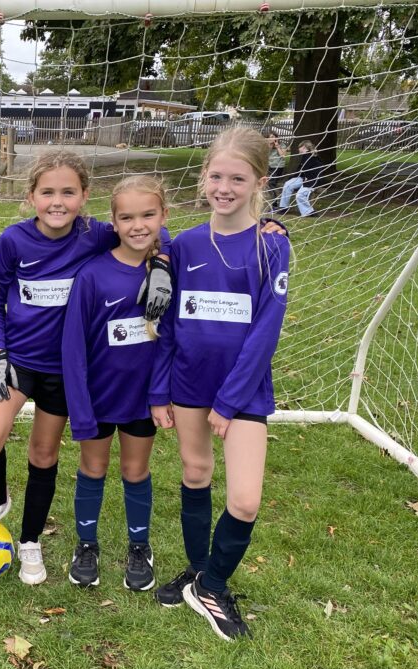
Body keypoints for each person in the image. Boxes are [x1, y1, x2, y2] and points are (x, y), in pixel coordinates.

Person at [0, 150, 174, 586]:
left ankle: (30, 541)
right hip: (18, 361)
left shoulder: (94, 234)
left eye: (68, 192)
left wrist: (162, 265)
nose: (57, 202)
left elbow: (151, 230)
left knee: (43, 454)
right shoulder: (13, 240)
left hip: (65, 369)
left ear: (84, 196)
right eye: (47, 192)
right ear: (31, 196)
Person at [149, 126, 290, 641]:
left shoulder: (272, 246)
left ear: (259, 182)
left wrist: (229, 402)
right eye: (216, 176)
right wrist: (158, 391)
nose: (224, 188)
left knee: (245, 500)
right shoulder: (183, 244)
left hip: (243, 390)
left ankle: (212, 586)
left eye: (238, 179)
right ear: (204, 177)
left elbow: (266, 331)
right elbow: (167, 324)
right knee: (195, 473)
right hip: (188, 382)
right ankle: (198, 571)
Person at [61, 175, 171, 591]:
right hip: (98, 397)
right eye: (127, 217)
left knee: (135, 470)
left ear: (163, 216)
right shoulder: (93, 275)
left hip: (142, 398)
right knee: (93, 468)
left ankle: (139, 547)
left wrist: (160, 394)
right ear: (114, 221)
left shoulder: (168, 271)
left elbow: (170, 341)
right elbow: (73, 348)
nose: (138, 225)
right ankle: (86, 545)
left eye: (148, 215)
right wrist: (80, 409)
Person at [279, 140, 323, 217]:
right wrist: (293, 177)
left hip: (312, 180)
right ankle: (283, 207)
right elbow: (301, 170)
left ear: (304, 147)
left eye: (299, 147)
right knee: (288, 184)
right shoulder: (304, 156)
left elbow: (317, 170)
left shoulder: (313, 157)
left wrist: (308, 177)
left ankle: (309, 212)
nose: (298, 149)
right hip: (304, 178)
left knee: (300, 195)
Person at [265, 130, 286, 206]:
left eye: (273, 137)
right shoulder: (267, 146)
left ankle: (275, 203)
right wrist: (269, 146)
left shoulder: (282, 145)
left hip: (277, 167)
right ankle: (273, 200)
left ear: (276, 138)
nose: (271, 139)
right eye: (269, 137)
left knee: (271, 183)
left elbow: (283, 156)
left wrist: (277, 146)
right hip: (269, 166)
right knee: (268, 183)